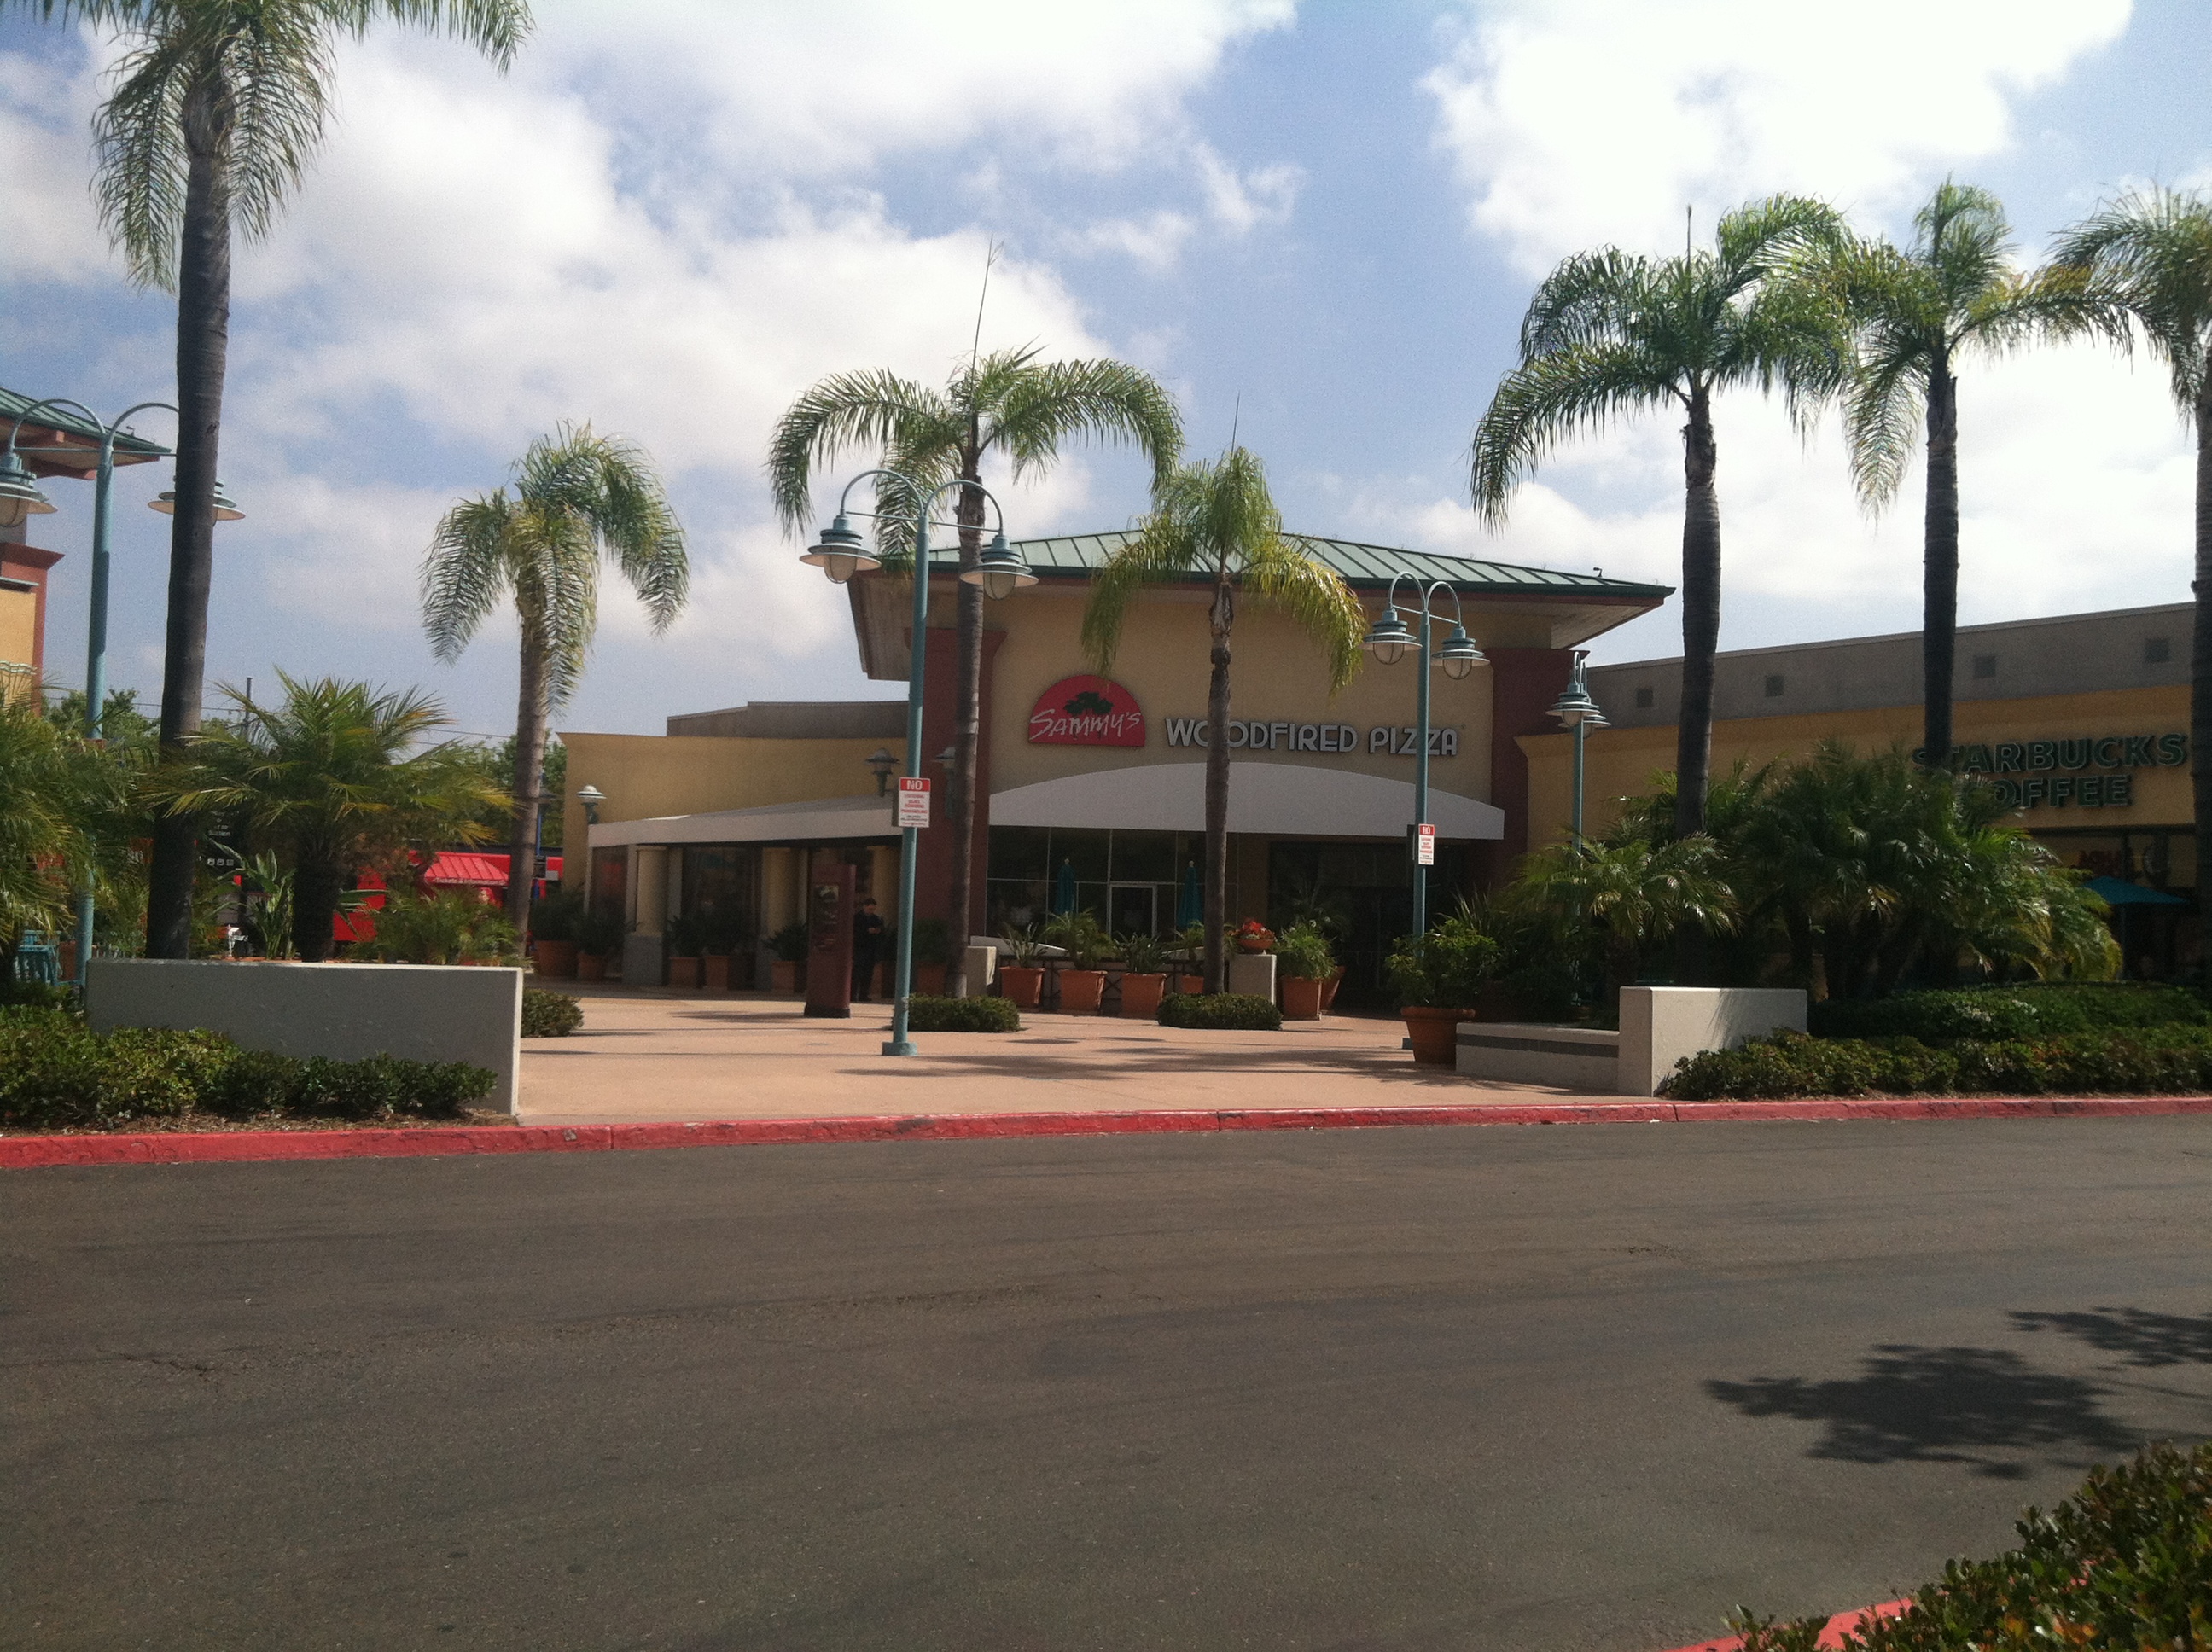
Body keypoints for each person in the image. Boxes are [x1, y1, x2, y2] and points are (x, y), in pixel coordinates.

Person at [852, 895, 886, 1000]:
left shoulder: (876, 919)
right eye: (870, 909)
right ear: (864, 907)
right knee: (857, 973)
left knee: (868, 974)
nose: (871, 911)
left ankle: (864, 995)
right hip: (859, 948)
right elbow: (854, 931)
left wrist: (878, 930)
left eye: (873, 909)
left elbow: (882, 931)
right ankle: (852, 995)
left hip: (871, 949)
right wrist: (866, 931)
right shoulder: (857, 918)